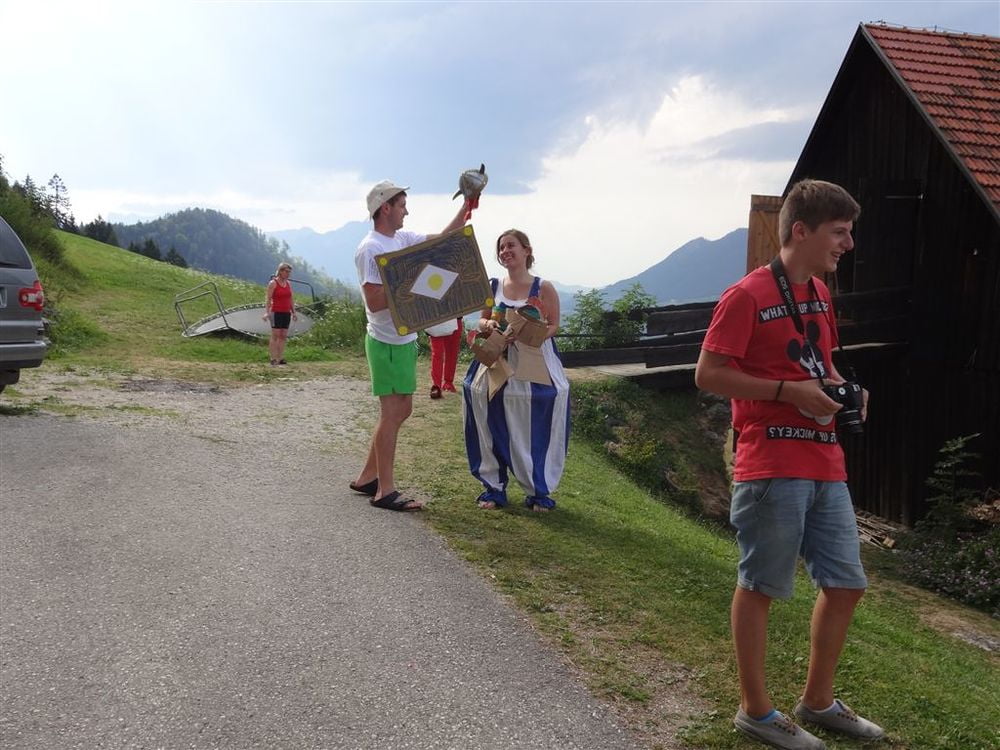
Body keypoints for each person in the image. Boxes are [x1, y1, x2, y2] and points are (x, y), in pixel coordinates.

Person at [695, 179, 884, 750]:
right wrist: (786, 392)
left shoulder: (820, 293)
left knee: (846, 584)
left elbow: (818, 364)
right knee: (762, 586)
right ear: (801, 231)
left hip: (825, 459)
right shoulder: (746, 295)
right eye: (840, 232)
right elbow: (708, 374)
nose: (848, 244)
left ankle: (818, 701)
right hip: (771, 461)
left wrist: (846, 389)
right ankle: (756, 711)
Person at [350, 180, 473, 511]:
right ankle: (385, 491)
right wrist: (415, 280)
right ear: (385, 208)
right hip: (386, 341)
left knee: (402, 409)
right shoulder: (371, 248)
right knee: (392, 413)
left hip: (403, 338)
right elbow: (375, 301)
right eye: (402, 205)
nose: (407, 211)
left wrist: (467, 205)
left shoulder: (400, 239)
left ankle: (367, 478)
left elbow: (443, 239)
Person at [463, 229, 570, 512]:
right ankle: (493, 486)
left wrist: (530, 334)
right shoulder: (493, 285)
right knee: (487, 415)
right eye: (501, 248)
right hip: (496, 358)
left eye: (511, 245)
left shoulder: (543, 288)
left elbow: (554, 324)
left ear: (526, 250)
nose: (505, 251)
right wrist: (489, 326)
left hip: (533, 360)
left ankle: (537, 489)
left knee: (530, 422)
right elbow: (482, 321)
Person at [262, 262, 297, 366]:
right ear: (280, 271)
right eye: (286, 271)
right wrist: (267, 312)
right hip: (276, 312)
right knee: (275, 335)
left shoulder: (288, 283)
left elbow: (291, 299)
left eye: (289, 272)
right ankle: (273, 358)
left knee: (283, 335)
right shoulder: (273, 283)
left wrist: (294, 312)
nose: (288, 274)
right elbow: (268, 299)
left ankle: (280, 358)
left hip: (286, 312)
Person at [425, 316, 463, 399]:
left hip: (455, 318)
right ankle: (436, 386)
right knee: (437, 354)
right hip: (435, 321)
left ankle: (448, 383)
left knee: (452, 353)